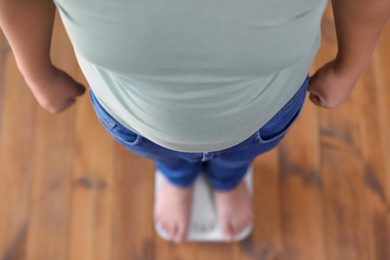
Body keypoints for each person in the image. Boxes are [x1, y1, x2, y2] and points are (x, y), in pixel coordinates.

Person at [0, 0, 389, 244]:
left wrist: (348, 70)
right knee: (165, 157)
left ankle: (227, 180)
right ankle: (177, 177)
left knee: (238, 159)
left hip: (262, 112)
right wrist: (36, 72)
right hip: (136, 117)